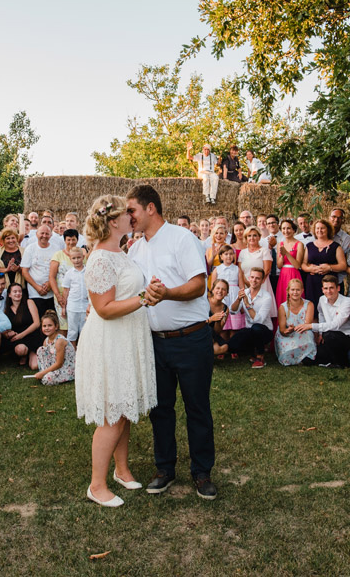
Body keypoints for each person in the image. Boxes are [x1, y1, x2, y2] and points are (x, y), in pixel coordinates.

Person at [126, 184, 217, 500]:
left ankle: (202, 472)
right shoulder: (135, 249)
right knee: (160, 408)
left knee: (197, 407)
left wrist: (167, 293)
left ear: (150, 208)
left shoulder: (182, 238)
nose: (129, 217)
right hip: (154, 342)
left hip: (191, 339)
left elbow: (198, 285)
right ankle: (164, 468)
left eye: (132, 211)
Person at [75, 194, 158, 508]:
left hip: (127, 337)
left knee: (124, 409)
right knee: (111, 414)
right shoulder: (99, 259)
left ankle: (122, 470)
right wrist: (144, 299)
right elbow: (104, 308)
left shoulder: (120, 252)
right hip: (110, 340)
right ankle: (97, 485)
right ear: (113, 221)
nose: (132, 217)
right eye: (127, 214)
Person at [214, 267, 275, 367]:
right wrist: (238, 299)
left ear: (263, 280)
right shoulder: (245, 292)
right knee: (232, 345)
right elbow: (233, 311)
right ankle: (252, 352)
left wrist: (247, 304)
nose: (254, 280)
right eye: (252, 277)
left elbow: (258, 320)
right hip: (249, 330)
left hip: (264, 332)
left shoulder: (266, 297)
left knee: (256, 328)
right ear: (249, 278)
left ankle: (260, 357)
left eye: (257, 278)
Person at [304, 275, 350, 368]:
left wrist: (311, 326)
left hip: (347, 338)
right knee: (308, 360)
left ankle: (340, 363)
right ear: (322, 289)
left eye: (331, 288)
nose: (328, 291)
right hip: (329, 337)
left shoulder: (347, 302)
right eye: (326, 288)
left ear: (338, 288)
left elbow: (336, 325)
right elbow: (321, 314)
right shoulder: (322, 299)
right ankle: (330, 360)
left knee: (330, 335)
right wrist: (320, 334)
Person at [302, 219, 347, 306]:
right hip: (312, 283)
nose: (319, 230)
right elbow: (303, 264)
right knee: (312, 307)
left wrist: (330, 267)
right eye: (317, 228)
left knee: (329, 307)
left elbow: (343, 266)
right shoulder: (309, 246)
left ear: (328, 230)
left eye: (322, 228)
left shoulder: (336, 246)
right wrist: (310, 268)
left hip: (329, 283)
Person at [276, 278, 317, 366]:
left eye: (298, 290)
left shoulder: (309, 304)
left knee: (308, 334)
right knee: (287, 354)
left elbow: (307, 324)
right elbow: (282, 330)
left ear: (302, 290)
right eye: (293, 289)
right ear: (288, 290)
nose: (295, 292)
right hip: (288, 335)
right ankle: (296, 358)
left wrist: (295, 328)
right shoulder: (283, 307)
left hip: (302, 332)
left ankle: (304, 357)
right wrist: (288, 331)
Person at [21, 224, 58, 318]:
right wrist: (37, 287)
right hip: (35, 293)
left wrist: (50, 283)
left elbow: (59, 270)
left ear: (51, 235)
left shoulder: (56, 249)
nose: (44, 236)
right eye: (42, 233)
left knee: (51, 320)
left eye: (47, 234)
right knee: (38, 320)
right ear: (37, 234)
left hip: (52, 292)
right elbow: (24, 271)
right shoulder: (30, 248)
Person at [49, 229, 80, 329]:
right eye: (68, 240)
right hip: (61, 296)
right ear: (65, 240)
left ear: (77, 240)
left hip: (77, 296)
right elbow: (52, 277)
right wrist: (58, 295)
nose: (71, 242)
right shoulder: (58, 255)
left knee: (77, 326)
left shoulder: (81, 255)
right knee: (64, 326)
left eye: (73, 240)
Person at [208, 245, 244, 332]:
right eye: (226, 254)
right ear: (221, 256)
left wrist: (242, 302)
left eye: (231, 254)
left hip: (234, 296)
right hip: (222, 296)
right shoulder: (217, 269)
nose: (229, 256)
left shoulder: (237, 269)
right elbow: (213, 286)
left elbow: (241, 286)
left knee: (235, 328)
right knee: (224, 326)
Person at [34, 310, 76, 385]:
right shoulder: (46, 340)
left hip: (65, 368)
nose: (47, 328)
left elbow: (59, 363)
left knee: (47, 379)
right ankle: (45, 373)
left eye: (50, 325)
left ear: (56, 326)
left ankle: (45, 374)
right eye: (44, 326)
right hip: (55, 367)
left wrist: (43, 373)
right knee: (41, 350)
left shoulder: (59, 341)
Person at [4, 282, 41, 366]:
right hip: (18, 339)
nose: (18, 293)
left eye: (20, 291)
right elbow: (6, 328)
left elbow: (37, 323)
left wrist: (22, 334)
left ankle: (31, 354)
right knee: (20, 350)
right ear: (9, 294)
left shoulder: (29, 302)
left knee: (34, 366)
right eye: (15, 291)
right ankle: (23, 355)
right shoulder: (7, 310)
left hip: (32, 336)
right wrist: (9, 333)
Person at [274, 218, 306, 310]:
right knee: (283, 298)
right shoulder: (280, 244)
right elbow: (279, 265)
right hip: (283, 274)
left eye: (288, 228)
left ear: (293, 230)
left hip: (294, 273)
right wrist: (281, 255)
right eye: (283, 229)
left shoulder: (299, 244)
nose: (286, 231)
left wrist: (287, 253)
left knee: (294, 298)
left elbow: (297, 265)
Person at [63, 248, 89, 343]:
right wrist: (63, 307)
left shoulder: (88, 271)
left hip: (86, 305)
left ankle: (83, 354)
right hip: (73, 306)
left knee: (85, 331)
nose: (76, 260)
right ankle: (72, 355)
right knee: (72, 331)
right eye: (74, 258)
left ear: (83, 257)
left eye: (78, 257)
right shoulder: (69, 274)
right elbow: (66, 290)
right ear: (70, 259)